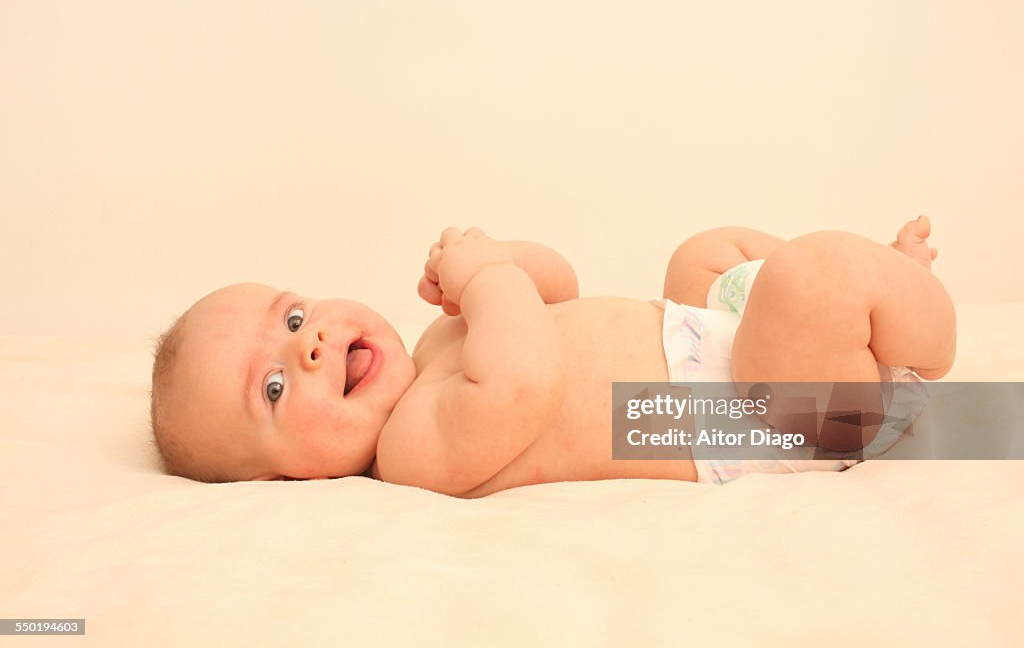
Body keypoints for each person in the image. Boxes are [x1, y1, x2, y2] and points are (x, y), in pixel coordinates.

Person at [149, 217, 955, 496]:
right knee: (811, 276)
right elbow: (526, 384)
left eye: (293, 316)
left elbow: (559, 290)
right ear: (278, 477)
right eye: (278, 384)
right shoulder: (410, 453)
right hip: (768, 423)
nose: (312, 340)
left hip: (718, 351)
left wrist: (502, 257)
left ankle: (865, 312)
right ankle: (908, 319)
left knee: (703, 255)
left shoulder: (436, 344)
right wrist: (491, 278)